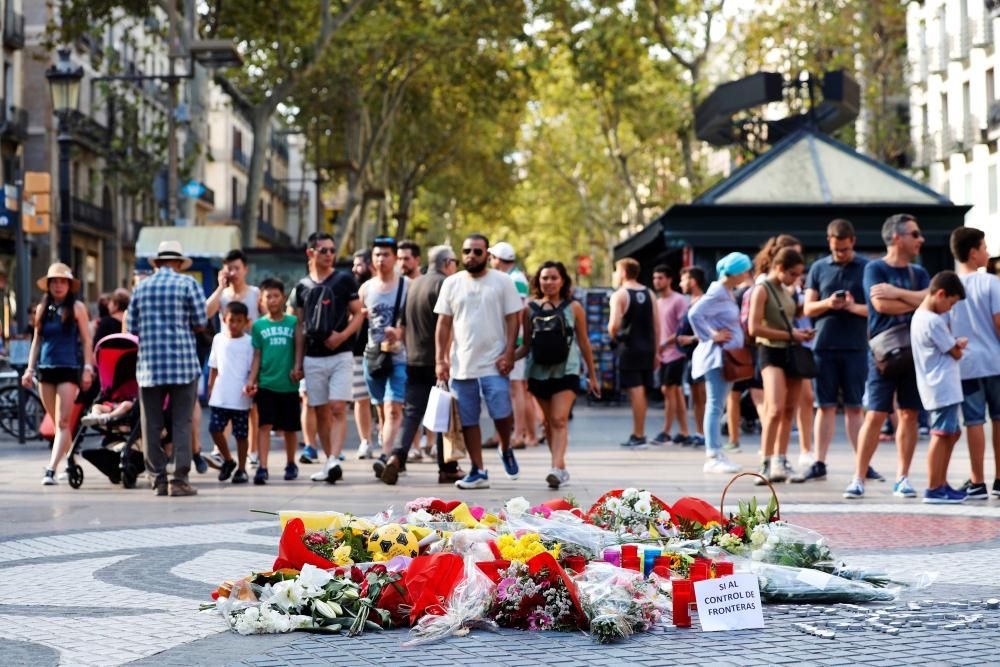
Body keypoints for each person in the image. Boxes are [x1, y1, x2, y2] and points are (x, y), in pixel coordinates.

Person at [844, 214, 930, 500]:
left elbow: (931, 300)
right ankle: (858, 477)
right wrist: (914, 299)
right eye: (914, 234)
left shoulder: (920, 272)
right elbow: (880, 305)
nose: (920, 239)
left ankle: (902, 478)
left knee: (909, 414)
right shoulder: (875, 268)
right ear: (897, 237)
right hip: (883, 353)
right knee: (876, 414)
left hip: (913, 352)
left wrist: (897, 293)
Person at [435, 233, 522, 489]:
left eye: (477, 251)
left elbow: (513, 319)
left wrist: (509, 353)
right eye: (466, 251)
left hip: (494, 363)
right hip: (461, 365)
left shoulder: (503, 281)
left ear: (487, 254)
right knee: (468, 419)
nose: (471, 256)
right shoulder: (451, 283)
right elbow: (443, 324)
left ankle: (505, 446)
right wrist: (440, 359)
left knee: (501, 412)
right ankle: (478, 470)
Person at [126, 241, 206, 497]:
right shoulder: (188, 284)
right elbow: (201, 321)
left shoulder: (141, 287)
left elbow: (132, 328)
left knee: (150, 424)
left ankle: (158, 479)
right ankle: (179, 479)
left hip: (150, 366)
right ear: (179, 264)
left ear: (157, 264)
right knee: (182, 421)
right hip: (183, 364)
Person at [798, 219, 873, 483]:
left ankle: (863, 463)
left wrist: (852, 307)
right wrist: (829, 303)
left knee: (855, 407)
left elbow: (875, 308)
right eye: (835, 249)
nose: (840, 253)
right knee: (824, 406)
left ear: (853, 241)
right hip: (824, 345)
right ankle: (819, 461)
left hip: (855, 346)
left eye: (844, 249)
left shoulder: (867, 267)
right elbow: (807, 308)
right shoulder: (819, 267)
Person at [380, 244, 463, 485]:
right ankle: (447, 467)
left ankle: (396, 456)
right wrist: (444, 358)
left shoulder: (415, 284)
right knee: (444, 413)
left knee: (412, 413)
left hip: (414, 358)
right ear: (447, 262)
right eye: (455, 262)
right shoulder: (445, 284)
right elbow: (447, 324)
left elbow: (403, 324)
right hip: (437, 359)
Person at [517, 261, 600, 488]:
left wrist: (592, 375)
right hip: (537, 372)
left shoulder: (574, 308)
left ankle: (556, 468)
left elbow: (584, 342)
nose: (549, 282)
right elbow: (526, 345)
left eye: (554, 278)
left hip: (567, 371)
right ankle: (560, 468)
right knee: (547, 423)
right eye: (545, 278)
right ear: (538, 281)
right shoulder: (529, 309)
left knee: (559, 419)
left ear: (562, 281)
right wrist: (506, 360)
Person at [292, 232, 364, 484]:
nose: (330, 255)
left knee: (337, 407)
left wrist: (342, 336)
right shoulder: (301, 286)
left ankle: (334, 458)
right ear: (310, 253)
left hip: (341, 355)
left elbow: (359, 314)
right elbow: (298, 326)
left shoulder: (344, 280)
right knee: (320, 410)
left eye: (333, 250)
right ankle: (328, 462)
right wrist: (298, 363)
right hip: (313, 357)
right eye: (324, 250)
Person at [22, 263, 94, 485]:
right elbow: (36, 341)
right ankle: (71, 462)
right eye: (54, 282)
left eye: (63, 282)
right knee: (56, 422)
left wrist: (88, 368)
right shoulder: (42, 309)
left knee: (63, 421)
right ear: (49, 285)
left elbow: (86, 340)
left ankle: (51, 470)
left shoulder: (78, 308)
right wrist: (29, 369)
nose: (58, 286)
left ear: (69, 285)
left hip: (68, 368)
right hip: (46, 368)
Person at [748, 247, 814, 483]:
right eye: (793, 274)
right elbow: (754, 328)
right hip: (770, 351)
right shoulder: (762, 289)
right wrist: (790, 335)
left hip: (790, 351)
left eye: (798, 275)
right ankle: (765, 463)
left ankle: (781, 460)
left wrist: (799, 333)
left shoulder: (788, 290)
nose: (796, 279)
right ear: (779, 268)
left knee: (789, 409)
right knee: (774, 408)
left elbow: (789, 321)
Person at [688, 252, 752, 475]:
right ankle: (713, 454)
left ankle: (716, 452)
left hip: (724, 357)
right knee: (715, 406)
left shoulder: (726, 292)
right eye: (744, 270)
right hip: (718, 358)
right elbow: (694, 314)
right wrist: (711, 336)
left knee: (717, 405)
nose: (747, 274)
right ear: (736, 272)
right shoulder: (718, 291)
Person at [949, 226, 1000, 499]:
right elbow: (999, 322)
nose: (987, 253)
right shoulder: (991, 283)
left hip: (966, 364)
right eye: (984, 247)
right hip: (995, 361)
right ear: (973, 253)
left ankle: (977, 481)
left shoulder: (949, 286)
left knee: (974, 421)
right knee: (999, 419)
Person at [911, 271, 968, 503]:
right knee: (942, 434)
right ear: (941, 294)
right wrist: (958, 345)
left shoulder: (920, 316)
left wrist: (953, 344)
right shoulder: (933, 321)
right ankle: (934, 487)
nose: (950, 309)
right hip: (942, 386)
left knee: (950, 433)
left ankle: (941, 483)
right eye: (951, 303)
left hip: (937, 385)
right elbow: (955, 353)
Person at [358, 237, 409, 485]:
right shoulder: (366, 288)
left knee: (393, 408)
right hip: (373, 357)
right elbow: (355, 319)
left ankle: (385, 456)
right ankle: (389, 448)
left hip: (399, 356)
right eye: (377, 254)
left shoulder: (407, 286)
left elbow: (416, 321)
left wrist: (400, 332)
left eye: (386, 254)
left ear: (395, 258)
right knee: (380, 409)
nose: (381, 259)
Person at [246, 278, 303, 484]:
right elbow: (257, 355)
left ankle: (291, 463)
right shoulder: (258, 326)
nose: (272, 300)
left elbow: (299, 348)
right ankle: (262, 467)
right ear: (261, 300)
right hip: (266, 384)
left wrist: (298, 367)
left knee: (290, 428)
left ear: (283, 297)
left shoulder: (293, 322)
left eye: (276, 296)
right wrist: (252, 380)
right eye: (268, 296)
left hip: (288, 384)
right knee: (264, 425)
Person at [489, 241, 538, 450]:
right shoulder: (510, 277)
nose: (490, 261)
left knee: (517, 388)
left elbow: (516, 312)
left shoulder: (514, 279)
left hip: (514, 341)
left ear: (499, 259)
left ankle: (519, 433)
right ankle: (521, 433)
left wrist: (512, 345)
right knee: (516, 389)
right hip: (511, 340)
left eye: (492, 257)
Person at [608, 257, 659, 448]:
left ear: (623, 273)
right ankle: (640, 432)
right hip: (647, 348)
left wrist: (613, 336)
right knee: (642, 391)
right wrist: (657, 351)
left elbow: (613, 325)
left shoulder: (620, 295)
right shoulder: (649, 293)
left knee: (635, 390)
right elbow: (656, 324)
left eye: (616, 271)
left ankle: (638, 435)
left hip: (629, 348)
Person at [208, 301, 255, 484]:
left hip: (240, 398)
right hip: (220, 395)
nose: (234, 324)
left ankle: (242, 469)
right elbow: (213, 366)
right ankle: (228, 459)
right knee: (214, 428)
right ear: (224, 320)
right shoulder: (218, 339)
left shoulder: (249, 342)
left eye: (239, 321)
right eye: (231, 320)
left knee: (241, 435)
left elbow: (253, 368)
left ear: (246, 322)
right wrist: (210, 386)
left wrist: (251, 384)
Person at [651, 265, 690, 445]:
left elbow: (683, 328)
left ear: (669, 279)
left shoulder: (679, 300)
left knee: (668, 390)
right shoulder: (657, 302)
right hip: (662, 354)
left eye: (660, 278)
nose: (657, 281)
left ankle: (666, 432)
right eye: (655, 278)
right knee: (675, 392)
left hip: (675, 352)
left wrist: (665, 343)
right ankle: (684, 431)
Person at [351, 249, 377, 459]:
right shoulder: (356, 289)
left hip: (384, 352)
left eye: (358, 264)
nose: (354, 269)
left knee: (386, 402)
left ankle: (386, 441)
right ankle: (365, 441)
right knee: (361, 399)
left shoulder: (390, 286)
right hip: (358, 351)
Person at [677, 266, 707, 446]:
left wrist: (691, 338)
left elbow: (713, 330)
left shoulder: (704, 302)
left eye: (684, 280)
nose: (681, 284)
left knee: (703, 396)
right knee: (696, 397)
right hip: (691, 357)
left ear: (693, 282)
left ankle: (706, 434)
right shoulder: (691, 303)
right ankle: (699, 432)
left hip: (703, 356)